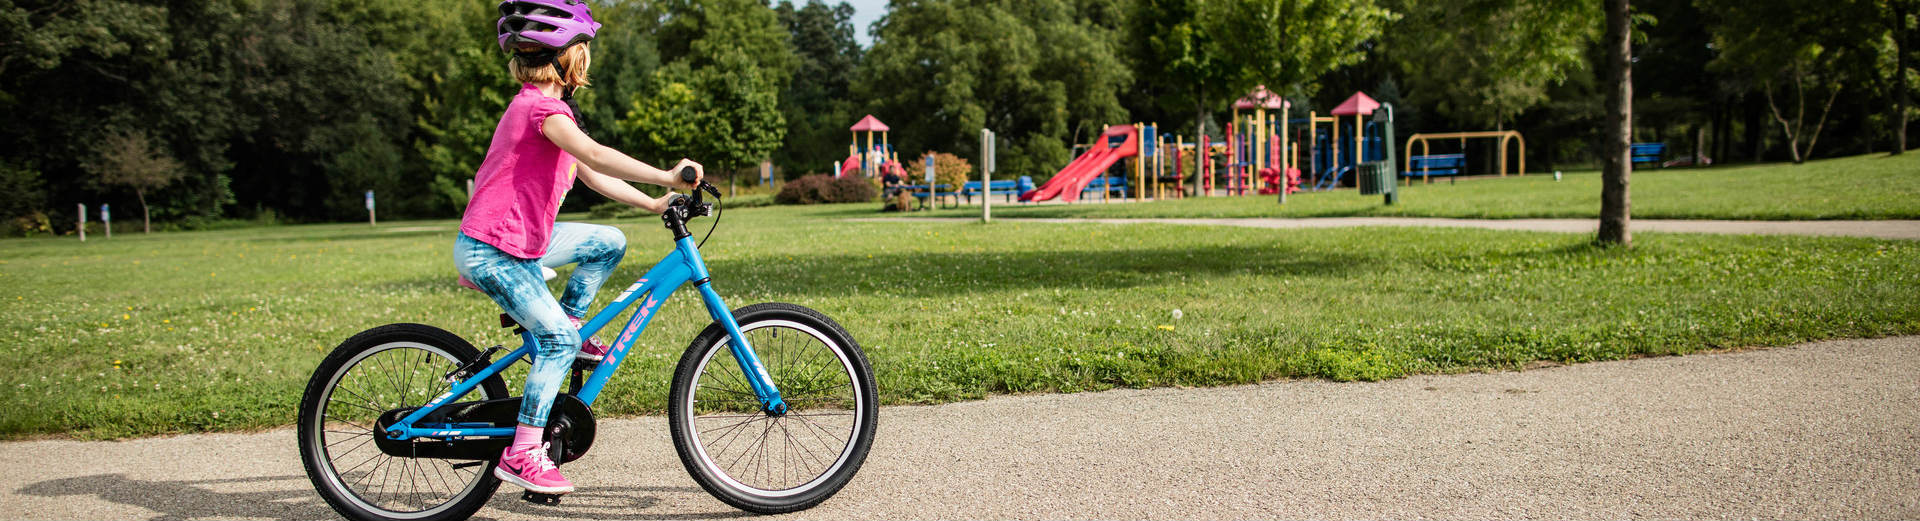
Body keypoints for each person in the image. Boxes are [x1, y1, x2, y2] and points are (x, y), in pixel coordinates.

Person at [455, 0, 703, 496]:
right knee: (558, 345)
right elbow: (593, 152)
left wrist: (655, 202)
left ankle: (569, 323)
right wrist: (665, 173)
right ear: (571, 59)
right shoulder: (540, 109)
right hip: (491, 251)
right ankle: (523, 451)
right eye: (584, 50)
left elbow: (594, 174)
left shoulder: (551, 114)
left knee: (607, 241)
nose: (587, 59)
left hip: (520, 245)